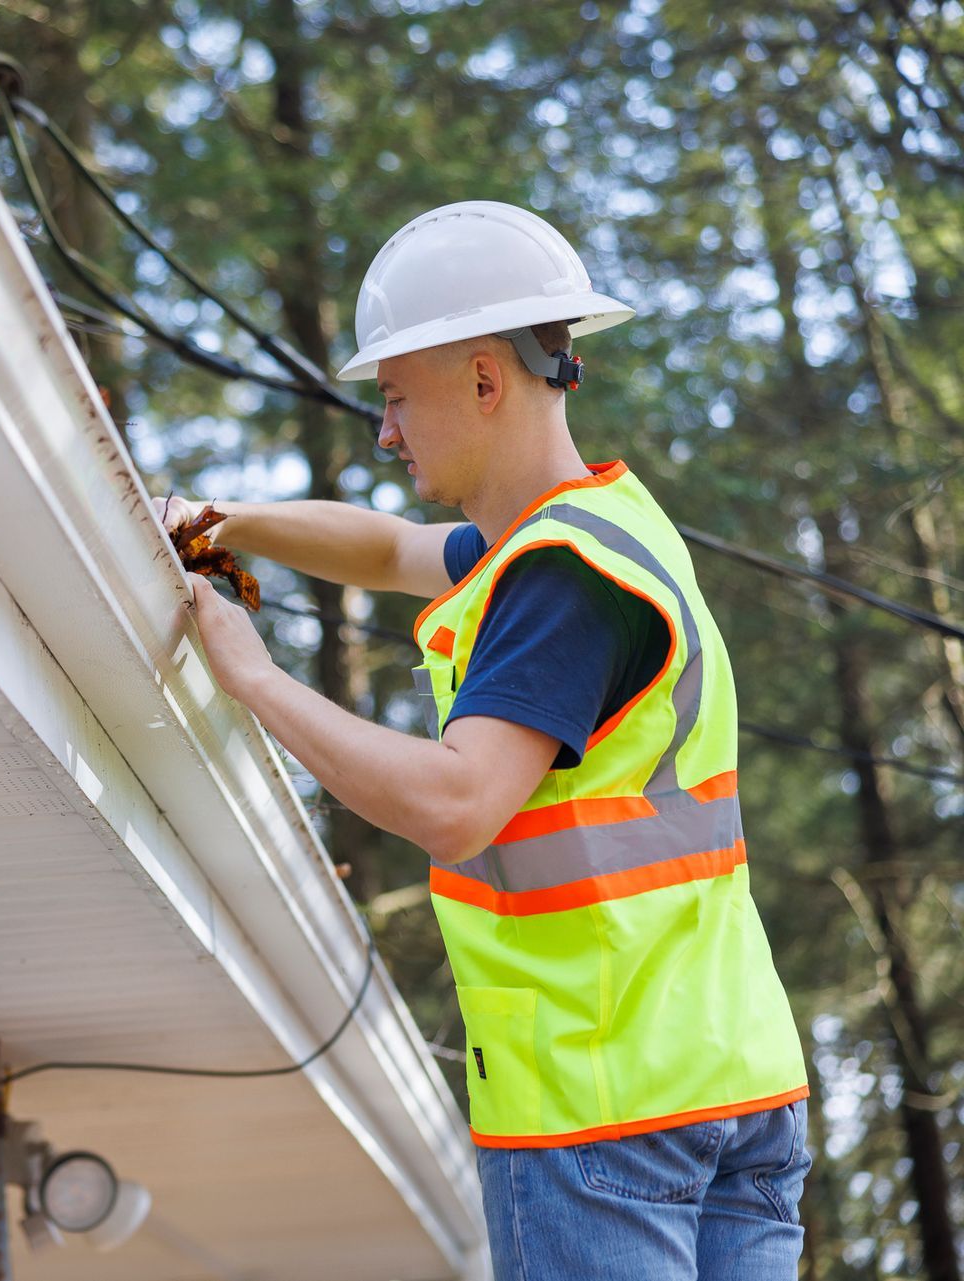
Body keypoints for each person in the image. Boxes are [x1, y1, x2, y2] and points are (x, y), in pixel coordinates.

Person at [161, 201, 812, 1280]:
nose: (386, 430)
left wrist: (253, 679)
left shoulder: (557, 580)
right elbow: (393, 550)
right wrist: (215, 520)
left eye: (396, 396)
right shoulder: (598, 531)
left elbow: (459, 805)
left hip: (602, 1108)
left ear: (481, 378)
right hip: (728, 1086)